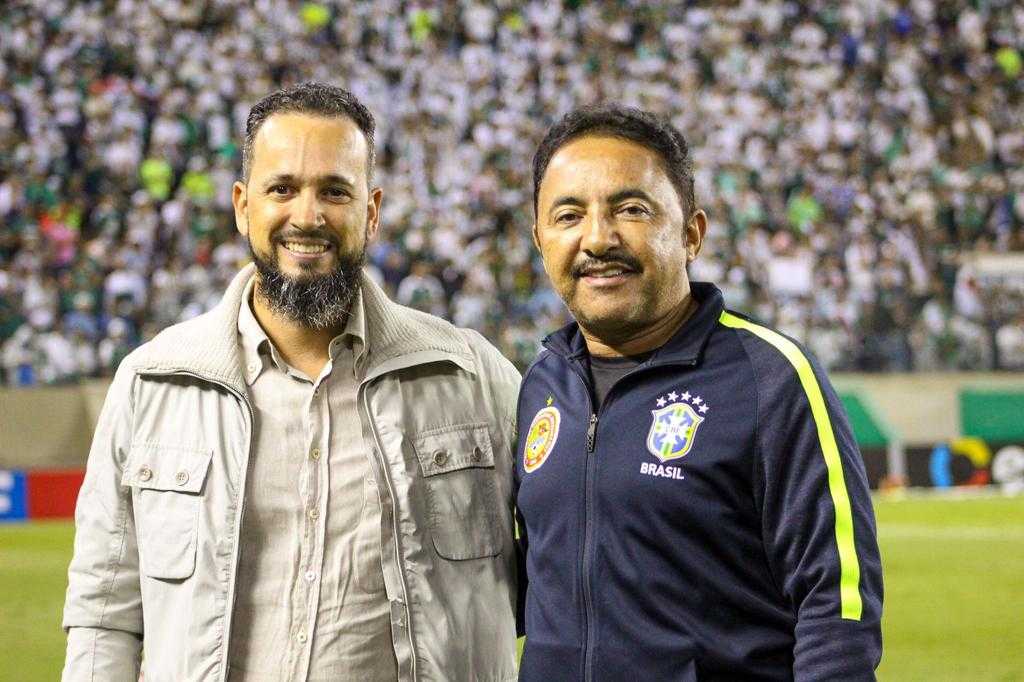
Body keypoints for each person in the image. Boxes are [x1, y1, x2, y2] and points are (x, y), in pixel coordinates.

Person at [62, 82, 521, 682]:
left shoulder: (474, 377)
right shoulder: (151, 383)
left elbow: (571, 585)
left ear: (372, 211)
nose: (307, 216)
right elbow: (104, 616)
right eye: (282, 189)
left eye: (334, 191)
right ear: (241, 205)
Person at [515, 104, 883, 681]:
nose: (597, 238)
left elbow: (839, 605)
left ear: (691, 234)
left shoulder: (772, 377)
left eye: (631, 209)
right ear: (540, 239)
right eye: (568, 215)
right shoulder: (541, 384)